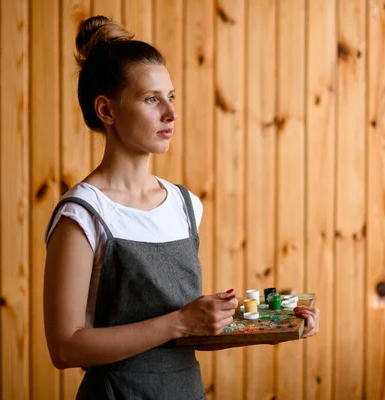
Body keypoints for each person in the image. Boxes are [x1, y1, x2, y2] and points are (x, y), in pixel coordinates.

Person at [43, 15, 320, 399]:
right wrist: (179, 322)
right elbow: (65, 347)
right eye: (151, 99)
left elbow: (189, 334)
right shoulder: (83, 215)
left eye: (171, 97)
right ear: (106, 110)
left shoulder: (185, 206)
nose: (170, 114)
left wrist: (276, 329)